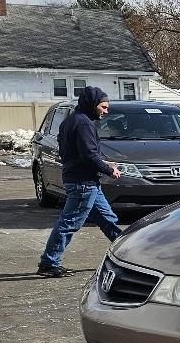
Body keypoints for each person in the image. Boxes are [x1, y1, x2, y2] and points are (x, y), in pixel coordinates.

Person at [37, 86, 124, 277]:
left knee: (108, 219)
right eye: (103, 107)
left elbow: (75, 152)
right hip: (83, 183)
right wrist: (109, 170)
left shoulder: (71, 121)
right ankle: (49, 263)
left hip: (86, 182)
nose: (106, 111)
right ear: (92, 104)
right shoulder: (84, 123)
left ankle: (128, 254)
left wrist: (104, 163)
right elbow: (88, 155)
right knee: (69, 223)